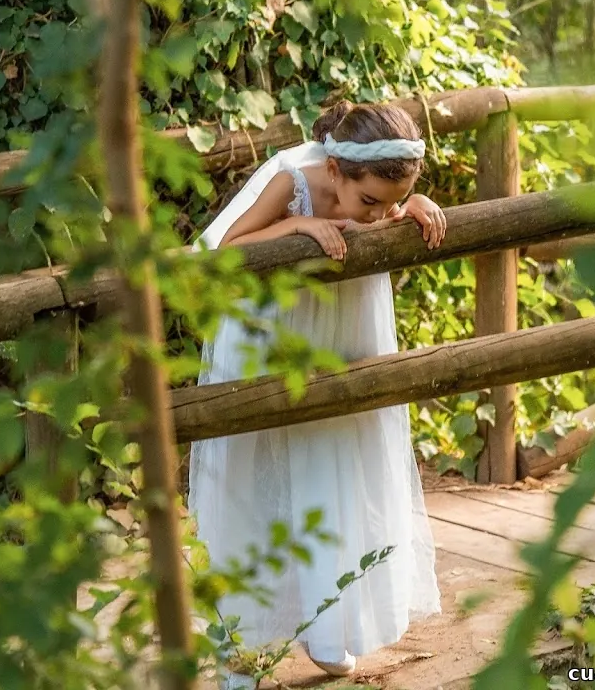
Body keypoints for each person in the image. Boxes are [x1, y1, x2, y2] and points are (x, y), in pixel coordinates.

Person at [188, 101, 444, 689]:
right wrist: (299, 226)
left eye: (391, 202)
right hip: (269, 331)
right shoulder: (293, 180)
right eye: (369, 204)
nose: (380, 219)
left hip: (340, 330)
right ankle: (237, 645)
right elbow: (224, 245)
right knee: (256, 478)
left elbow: (390, 208)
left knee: (336, 462)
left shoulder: (377, 194)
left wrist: (416, 208)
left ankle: (330, 630)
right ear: (336, 171)